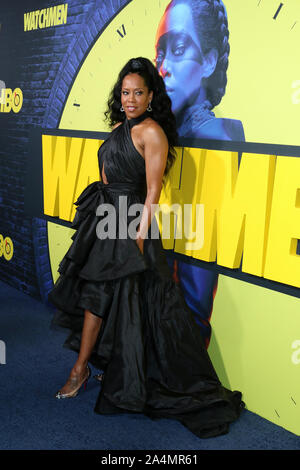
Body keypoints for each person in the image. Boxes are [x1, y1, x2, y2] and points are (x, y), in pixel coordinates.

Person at [48, 57, 244, 439]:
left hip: (133, 221)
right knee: (100, 294)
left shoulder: (152, 132)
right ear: (119, 96)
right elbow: (107, 174)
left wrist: (139, 231)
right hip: (108, 218)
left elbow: (153, 190)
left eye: (139, 92)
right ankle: (92, 365)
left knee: (118, 296)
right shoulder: (119, 127)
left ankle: (81, 370)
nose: (131, 99)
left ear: (151, 96)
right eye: (125, 92)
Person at [155, 0, 245, 346]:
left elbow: (194, 299)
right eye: (160, 54)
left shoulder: (213, 137)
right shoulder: (165, 133)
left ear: (208, 61)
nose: (162, 68)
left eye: (178, 49)